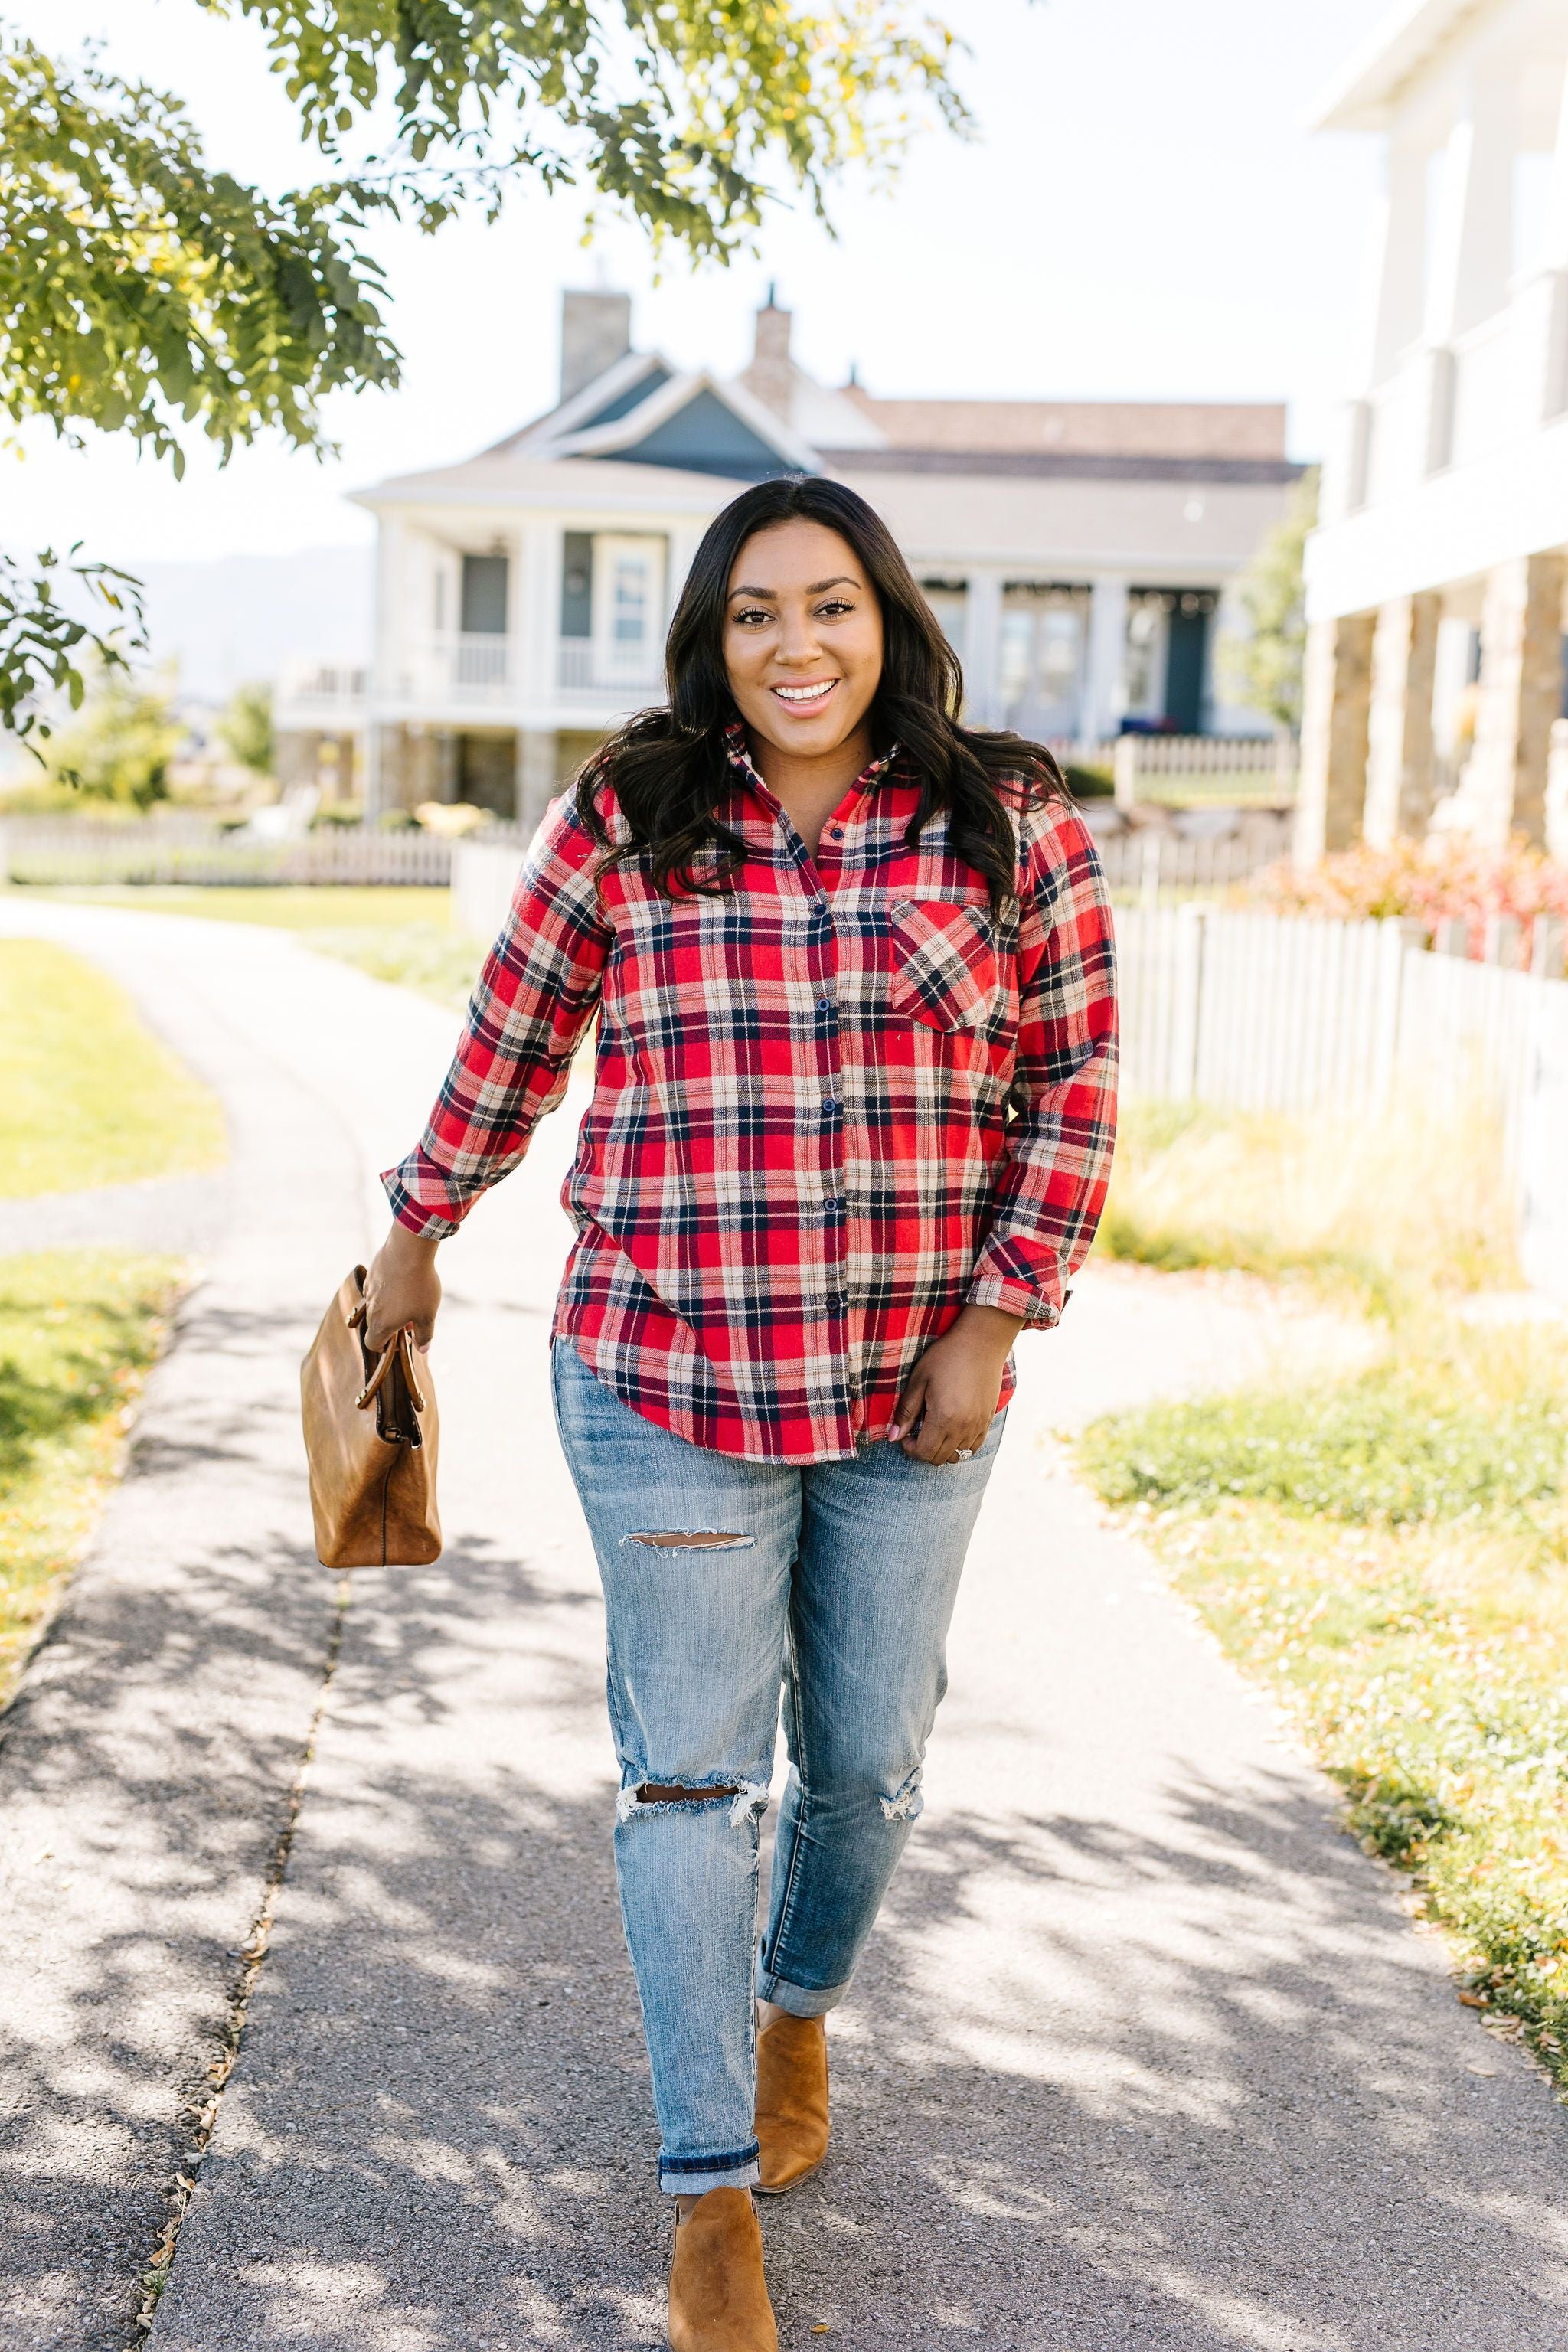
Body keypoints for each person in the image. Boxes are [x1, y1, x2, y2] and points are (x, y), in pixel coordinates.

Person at [364, 475, 1118, 2350]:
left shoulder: (1003, 817)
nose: (799, 646)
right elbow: (510, 1038)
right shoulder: (630, 819)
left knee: (864, 1763)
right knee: (686, 1781)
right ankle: (708, 2192)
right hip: (668, 1375)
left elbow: (1073, 1087)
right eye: (759, 612)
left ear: (891, 620)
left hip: (909, 1390)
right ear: (711, 635)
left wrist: (995, 1319)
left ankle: (798, 2010)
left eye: (833, 606)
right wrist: (414, 1228)